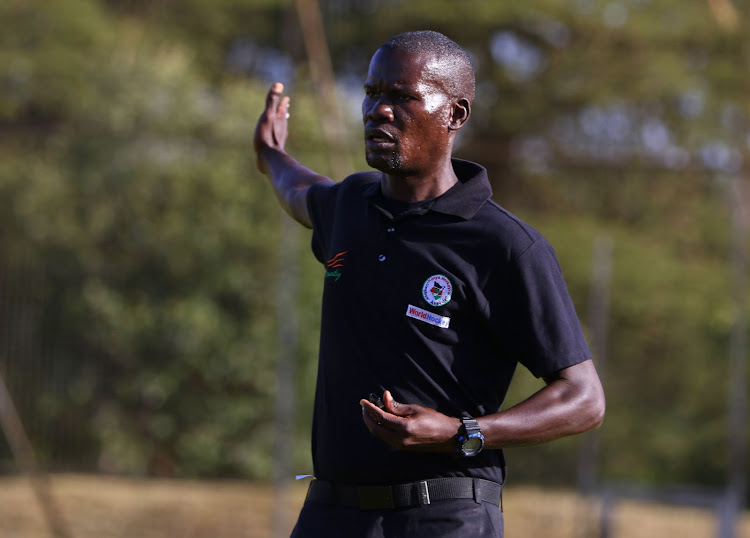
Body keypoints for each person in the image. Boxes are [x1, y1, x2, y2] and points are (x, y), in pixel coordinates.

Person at [253, 30, 605, 538]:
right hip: (331, 513)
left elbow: (584, 399)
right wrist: (268, 153)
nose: (378, 110)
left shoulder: (504, 245)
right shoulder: (351, 205)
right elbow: (301, 190)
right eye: (372, 93)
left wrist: (461, 434)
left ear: (455, 115)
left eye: (401, 96)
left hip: (444, 514)